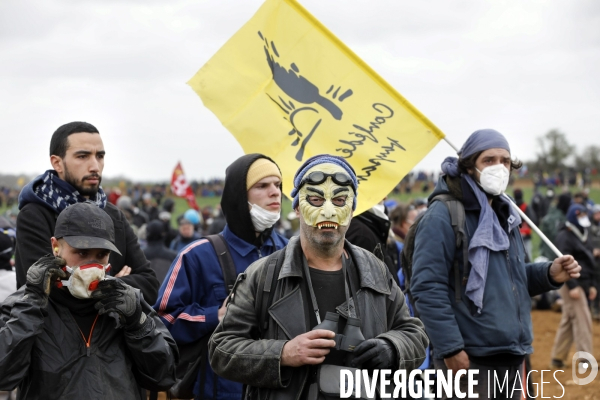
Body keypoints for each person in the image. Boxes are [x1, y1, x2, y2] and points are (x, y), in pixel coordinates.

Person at [209, 154, 428, 400]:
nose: (328, 211)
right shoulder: (262, 275)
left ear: (352, 208)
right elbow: (221, 350)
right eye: (314, 199)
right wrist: (283, 354)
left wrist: (392, 349)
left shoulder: (375, 270)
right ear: (297, 208)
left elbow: (414, 333)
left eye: (340, 200)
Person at [410, 129, 581, 400]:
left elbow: (509, 279)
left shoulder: (504, 215)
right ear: (469, 166)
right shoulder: (443, 215)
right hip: (470, 360)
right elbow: (426, 287)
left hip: (513, 355)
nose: (499, 167)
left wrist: (549, 273)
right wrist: (451, 349)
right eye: (489, 160)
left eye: (504, 161)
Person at [0, 202, 177, 399]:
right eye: (82, 253)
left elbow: (165, 376)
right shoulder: (26, 302)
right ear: (55, 247)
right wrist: (32, 305)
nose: (92, 264)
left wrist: (138, 325)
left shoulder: (128, 302)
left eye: (101, 255)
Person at [154, 154, 288, 400]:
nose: (275, 192)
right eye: (262, 186)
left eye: (278, 185)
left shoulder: (292, 252)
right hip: (219, 390)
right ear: (239, 195)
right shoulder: (197, 255)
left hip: (279, 389)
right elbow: (162, 321)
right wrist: (214, 315)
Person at [14, 122, 159, 303]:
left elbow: (151, 285)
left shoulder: (113, 215)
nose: (95, 166)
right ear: (57, 163)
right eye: (82, 156)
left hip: (111, 331)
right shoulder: (35, 215)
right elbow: (42, 292)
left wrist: (94, 283)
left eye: (100, 156)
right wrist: (114, 284)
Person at [550, 204, 598, 368]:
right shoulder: (565, 236)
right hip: (570, 283)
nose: (584, 217)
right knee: (583, 319)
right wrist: (573, 286)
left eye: (585, 214)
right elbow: (562, 263)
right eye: (580, 215)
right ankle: (585, 359)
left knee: (569, 320)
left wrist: (591, 285)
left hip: (583, 282)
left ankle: (557, 357)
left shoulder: (584, 234)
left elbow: (589, 260)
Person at [143, 220, 178, 285]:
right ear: (163, 234)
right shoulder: (174, 256)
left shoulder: (139, 256)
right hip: (167, 294)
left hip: (145, 294)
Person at [539, 193, 572, 260]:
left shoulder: (562, 215)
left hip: (557, 253)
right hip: (550, 254)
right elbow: (556, 235)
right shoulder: (555, 218)